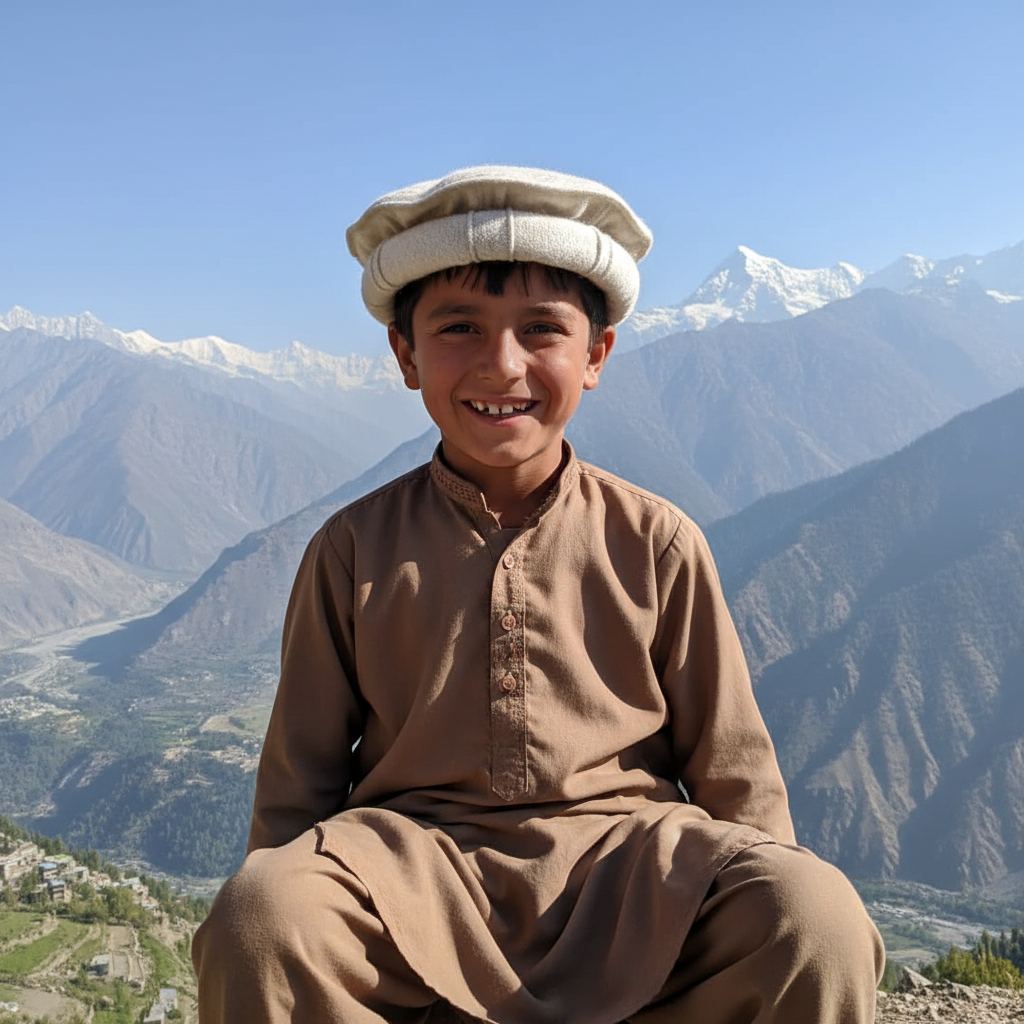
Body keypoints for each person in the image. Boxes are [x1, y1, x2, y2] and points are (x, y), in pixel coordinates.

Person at [193, 165, 884, 1023]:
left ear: (595, 355)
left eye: (542, 330)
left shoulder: (657, 540)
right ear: (405, 356)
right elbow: (298, 789)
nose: (503, 364)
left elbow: (735, 775)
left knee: (813, 916)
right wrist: (283, 909)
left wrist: (773, 895)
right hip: (411, 882)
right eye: (458, 329)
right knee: (261, 919)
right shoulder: (353, 548)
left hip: (631, 883)